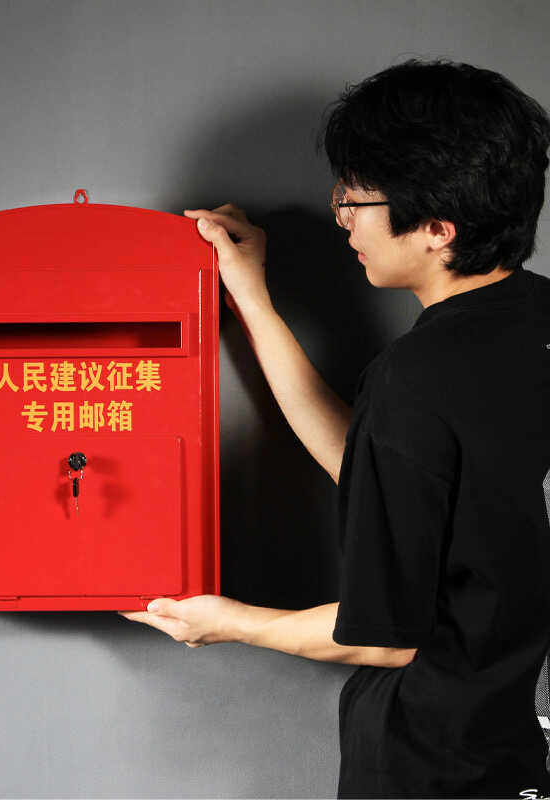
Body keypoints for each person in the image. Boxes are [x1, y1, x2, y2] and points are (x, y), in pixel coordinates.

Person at [118, 58, 550, 798]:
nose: (343, 216)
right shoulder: (530, 325)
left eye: (358, 199)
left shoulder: (415, 377)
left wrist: (231, 622)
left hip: (437, 765)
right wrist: (252, 298)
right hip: (523, 750)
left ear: (437, 228)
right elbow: (377, 466)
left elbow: (387, 640)